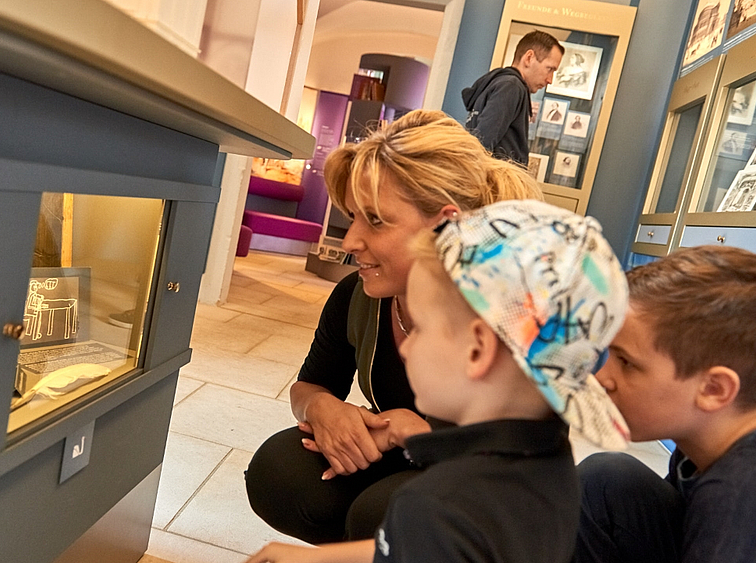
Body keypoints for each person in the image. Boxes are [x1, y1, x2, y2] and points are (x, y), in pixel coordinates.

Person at [245, 199, 631, 563]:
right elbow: (395, 548)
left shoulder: (433, 506)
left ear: (477, 350)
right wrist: (311, 556)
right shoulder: (548, 462)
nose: (408, 347)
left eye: (423, 328)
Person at [245, 109, 544, 545]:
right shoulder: (360, 296)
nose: (350, 241)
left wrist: (424, 431)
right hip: (402, 455)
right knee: (282, 472)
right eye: (353, 216)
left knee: (386, 514)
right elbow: (310, 385)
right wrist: (324, 410)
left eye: (377, 221)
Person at [574, 245, 756, 563]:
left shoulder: (751, 501)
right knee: (608, 480)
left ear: (713, 390)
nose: (602, 377)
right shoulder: (701, 446)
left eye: (626, 362)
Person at [462, 30, 564, 164]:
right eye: (549, 69)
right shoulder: (511, 87)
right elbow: (481, 147)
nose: (550, 80)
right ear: (529, 58)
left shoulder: (499, 84)